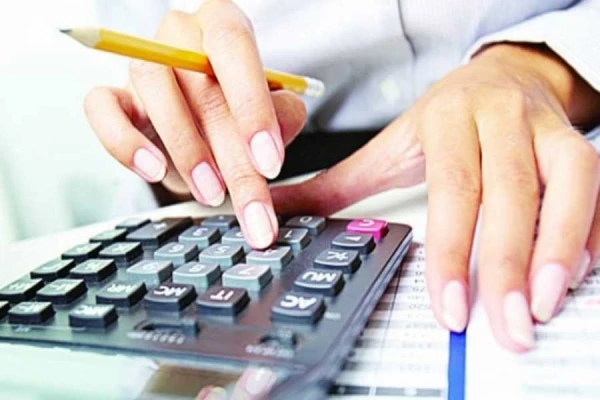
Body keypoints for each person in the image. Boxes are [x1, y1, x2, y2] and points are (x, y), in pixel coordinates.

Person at [84, 0, 600, 352]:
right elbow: (148, 75)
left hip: (548, 138)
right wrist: (179, 143)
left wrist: (538, 66)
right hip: (260, 203)